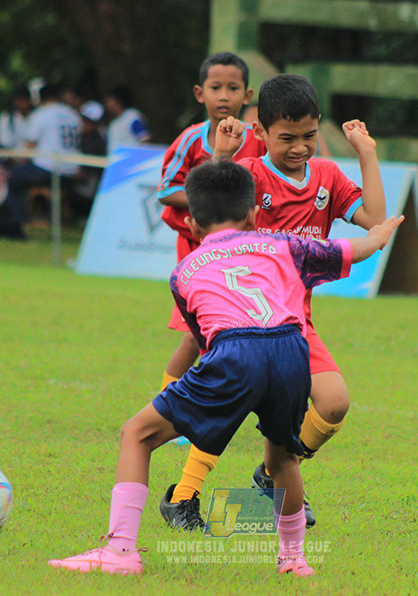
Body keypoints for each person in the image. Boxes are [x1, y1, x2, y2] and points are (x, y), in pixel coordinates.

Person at [47, 160, 403, 576]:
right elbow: (349, 251)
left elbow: (204, 340)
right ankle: (293, 559)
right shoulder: (284, 245)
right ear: (254, 215)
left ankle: (121, 553)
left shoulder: (183, 273)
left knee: (137, 434)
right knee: (283, 456)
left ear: (193, 226)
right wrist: (377, 236)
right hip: (293, 348)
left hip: (235, 352)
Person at [212, 74, 385, 528]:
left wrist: (366, 155)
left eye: (309, 136)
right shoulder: (249, 174)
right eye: (287, 138)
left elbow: (375, 222)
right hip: (243, 324)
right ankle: (186, 497)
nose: (300, 147)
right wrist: (221, 158)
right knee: (216, 418)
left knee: (334, 404)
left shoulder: (326, 175)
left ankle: (271, 477)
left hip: (295, 326)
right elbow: (212, 221)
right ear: (261, 132)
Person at [154, 53, 264, 528]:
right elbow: (166, 190)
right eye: (215, 88)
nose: (224, 96)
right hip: (197, 256)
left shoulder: (254, 143)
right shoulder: (191, 140)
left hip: (240, 257)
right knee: (196, 337)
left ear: (247, 95)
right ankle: (169, 409)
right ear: (200, 95)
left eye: (233, 88)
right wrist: (207, 199)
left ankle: (174, 413)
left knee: (204, 340)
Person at [7, 82, 81, 211]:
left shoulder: (41, 114)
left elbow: (30, 147)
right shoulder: (73, 114)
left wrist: (19, 164)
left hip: (48, 169)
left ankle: (18, 217)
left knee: (10, 178)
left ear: (40, 98)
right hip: (72, 170)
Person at [71, 100, 108, 218]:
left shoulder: (97, 142)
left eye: (89, 122)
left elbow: (86, 174)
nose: (85, 124)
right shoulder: (81, 138)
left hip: (89, 188)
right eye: (84, 120)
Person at [104, 85, 150, 155]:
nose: (107, 104)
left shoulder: (132, 116)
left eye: (109, 101)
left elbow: (144, 139)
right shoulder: (113, 124)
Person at [0, 85, 33, 150]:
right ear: (14, 101)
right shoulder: (6, 118)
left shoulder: (36, 117)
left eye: (25, 100)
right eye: (19, 100)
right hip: (11, 156)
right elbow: (4, 141)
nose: (22, 103)